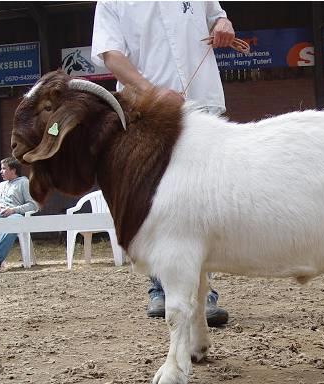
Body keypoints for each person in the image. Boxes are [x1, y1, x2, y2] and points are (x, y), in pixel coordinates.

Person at [91, 1, 235, 326]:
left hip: (201, 100)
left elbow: (218, 18)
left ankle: (202, 293)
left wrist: (223, 25)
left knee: (201, 202)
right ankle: (162, 288)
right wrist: (151, 91)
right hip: (147, 110)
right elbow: (111, 54)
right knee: (160, 204)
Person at [0, 157, 38, 273]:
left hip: (14, 214)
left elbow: (33, 205)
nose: (1, 171)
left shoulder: (24, 182)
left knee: (13, 223)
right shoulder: (0, 185)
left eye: (4, 169)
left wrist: (13, 210)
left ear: (13, 170)